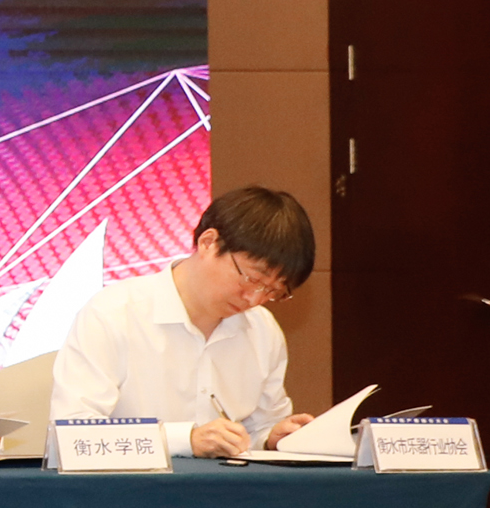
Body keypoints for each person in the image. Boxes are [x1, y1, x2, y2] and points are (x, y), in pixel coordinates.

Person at [51, 185, 319, 456]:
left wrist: (271, 437)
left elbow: (258, 427)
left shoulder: (262, 329)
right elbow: (72, 436)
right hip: (131, 482)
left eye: (273, 292)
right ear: (208, 243)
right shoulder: (113, 313)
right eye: (252, 279)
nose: (253, 299)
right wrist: (185, 440)